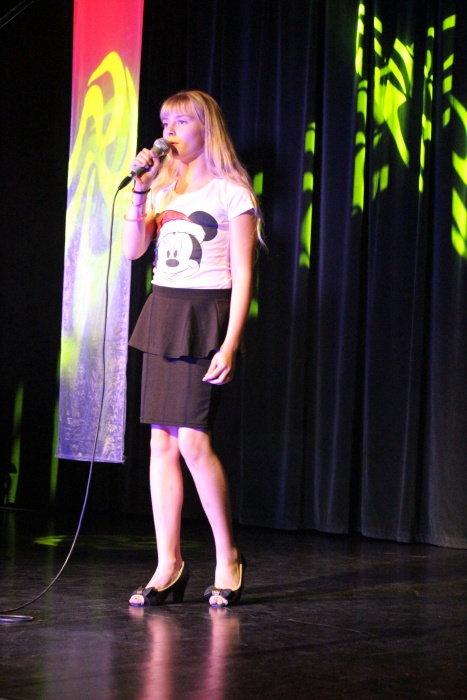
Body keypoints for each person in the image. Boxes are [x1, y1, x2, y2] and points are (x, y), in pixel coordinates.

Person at [121, 90, 262, 608]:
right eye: (166, 122)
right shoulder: (162, 187)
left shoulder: (232, 193)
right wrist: (140, 192)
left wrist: (230, 342)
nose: (170, 130)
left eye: (182, 121)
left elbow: (243, 275)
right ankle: (169, 564)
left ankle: (228, 557)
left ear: (207, 128)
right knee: (161, 443)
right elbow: (134, 250)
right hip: (163, 311)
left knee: (193, 442)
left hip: (205, 317)